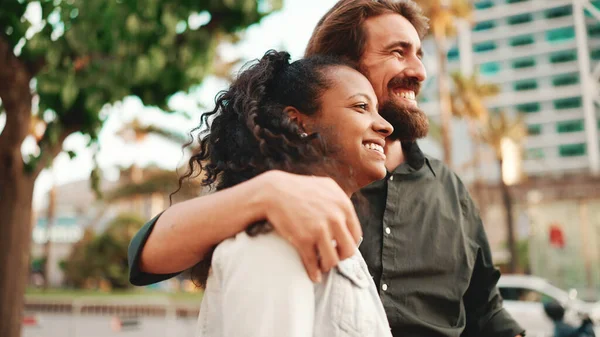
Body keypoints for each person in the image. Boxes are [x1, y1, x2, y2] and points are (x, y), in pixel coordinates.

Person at [128, 1, 525, 336]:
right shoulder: (277, 197)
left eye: (420, 53)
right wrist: (266, 193)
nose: (419, 71)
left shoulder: (449, 189)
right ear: (341, 64)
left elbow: (486, 312)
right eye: (398, 52)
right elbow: (146, 256)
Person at [183, 50, 394, 336]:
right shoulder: (274, 241)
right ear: (298, 122)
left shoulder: (327, 238)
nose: (385, 126)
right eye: (360, 106)